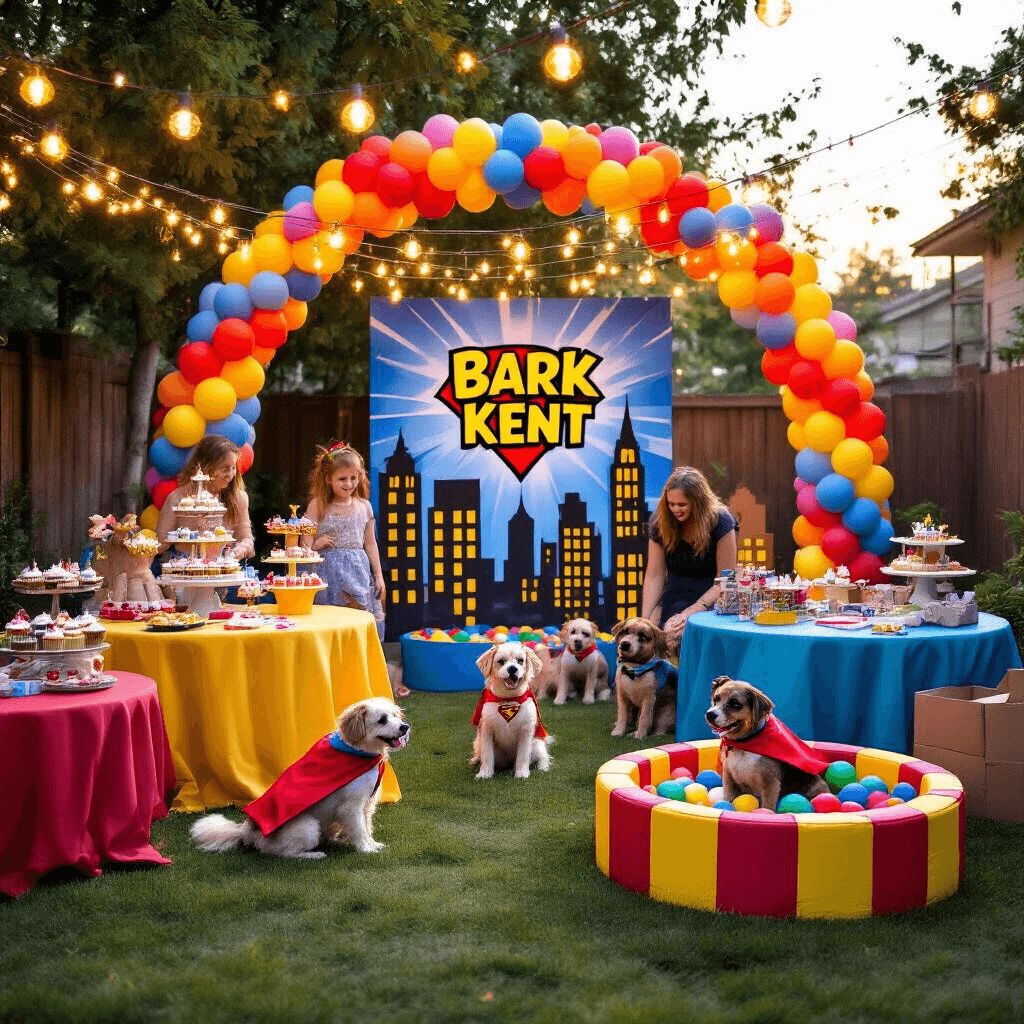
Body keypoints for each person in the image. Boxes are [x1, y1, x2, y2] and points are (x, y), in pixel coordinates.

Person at [302, 441, 390, 646]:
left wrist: (378, 575)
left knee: (356, 622)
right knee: (327, 624)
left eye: (354, 478)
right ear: (328, 479)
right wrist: (315, 545)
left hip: (356, 573)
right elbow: (304, 541)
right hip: (324, 573)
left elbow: (370, 543)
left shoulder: (364, 507)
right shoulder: (318, 504)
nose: (349, 484)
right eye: (342, 479)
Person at [641, 466, 738, 638]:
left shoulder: (721, 521)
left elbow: (727, 579)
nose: (675, 509)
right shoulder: (659, 521)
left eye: (682, 505)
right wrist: (645, 620)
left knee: (688, 630)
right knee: (670, 628)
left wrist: (695, 609)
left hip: (712, 599)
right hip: (675, 596)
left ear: (698, 502)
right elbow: (654, 575)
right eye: (671, 504)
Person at [155, 435, 255, 561]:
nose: (230, 475)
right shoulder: (179, 499)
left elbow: (246, 538)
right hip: (185, 566)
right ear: (204, 467)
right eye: (224, 469)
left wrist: (240, 550)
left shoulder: (239, 498)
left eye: (233, 468)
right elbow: (160, 543)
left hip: (223, 565)